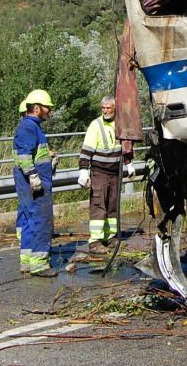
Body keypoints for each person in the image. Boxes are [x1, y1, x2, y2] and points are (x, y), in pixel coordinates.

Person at [78, 95, 134, 254]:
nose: (105, 111)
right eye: (103, 108)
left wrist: (129, 164)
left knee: (112, 207)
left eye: (108, 108)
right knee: (99, 206)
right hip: (99, 173)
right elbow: (86, 149)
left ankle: (110, 237)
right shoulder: (95, 125)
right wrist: (83, 169)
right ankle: (95, 241)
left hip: (115, 173)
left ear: (115, 108)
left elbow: (126, 146)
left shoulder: (120, 124)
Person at [13, 89, 58, 277]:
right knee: (41, 220)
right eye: (48, 107)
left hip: (30, 182)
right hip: (35, 183)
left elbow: (30, 153)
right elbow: (24, 155)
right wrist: (33, 176)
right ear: (37, 108)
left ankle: (27, 262)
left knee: (28, 220)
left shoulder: (31, 127)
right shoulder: (29, 127)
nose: (50, 111)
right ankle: (39, 264)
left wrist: (48, 157)